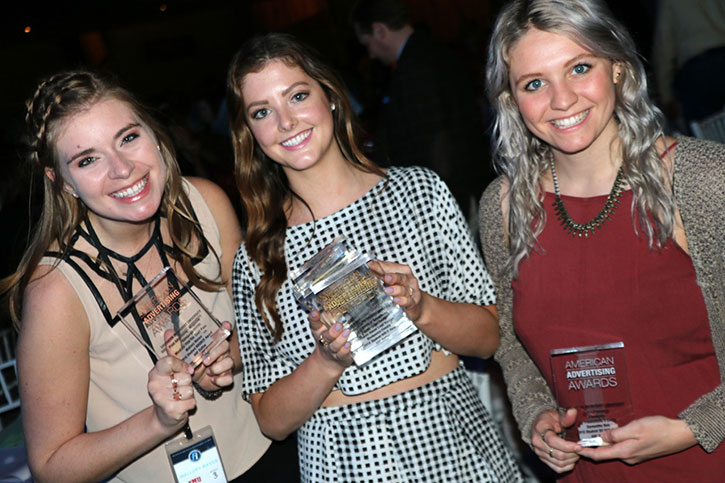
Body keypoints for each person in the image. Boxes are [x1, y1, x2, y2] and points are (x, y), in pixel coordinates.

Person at [226, 33, 522, 482]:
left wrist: (421, 307)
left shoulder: (419, 192)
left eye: (297, 96)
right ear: (249, 133)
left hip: (451, 437)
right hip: (342, 459)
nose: (286, 122)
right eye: (262, 112)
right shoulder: (257, 257)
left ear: (330, 96)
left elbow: (490, 337)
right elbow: (271, 419)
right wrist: (326, 361)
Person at [479, 0, 725, 481]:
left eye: (579, 68)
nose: (562, 99)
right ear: (511, 101)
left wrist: (693, 428)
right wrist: (536, 416)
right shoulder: (505, 206)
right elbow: (509, 341)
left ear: (616, 68)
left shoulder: (701, 180)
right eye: (534, 84)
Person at [0, 70, 285, 482]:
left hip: (271, 450)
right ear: (61, 180)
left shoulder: (204, 204)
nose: (122, 169)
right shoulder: (56, 290)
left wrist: (228, 358)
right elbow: (51, 466)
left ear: (153, 134)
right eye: (88, 160)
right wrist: (158, 421)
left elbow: (263, 324)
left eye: (128, 138)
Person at [350, 0, 492, 218]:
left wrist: (431, 208)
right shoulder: (436, 51)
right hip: (469, 181)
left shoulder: (413, 69)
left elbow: (434, 143)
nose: (371, 54)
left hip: (451, 195)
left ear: (379, 31)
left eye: (367, 44)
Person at [653, 0, 725, 130]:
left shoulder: (669, 3)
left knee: (705, 130)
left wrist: (666, 96)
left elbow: (664, 47)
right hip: (720, 51)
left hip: (698, 70)